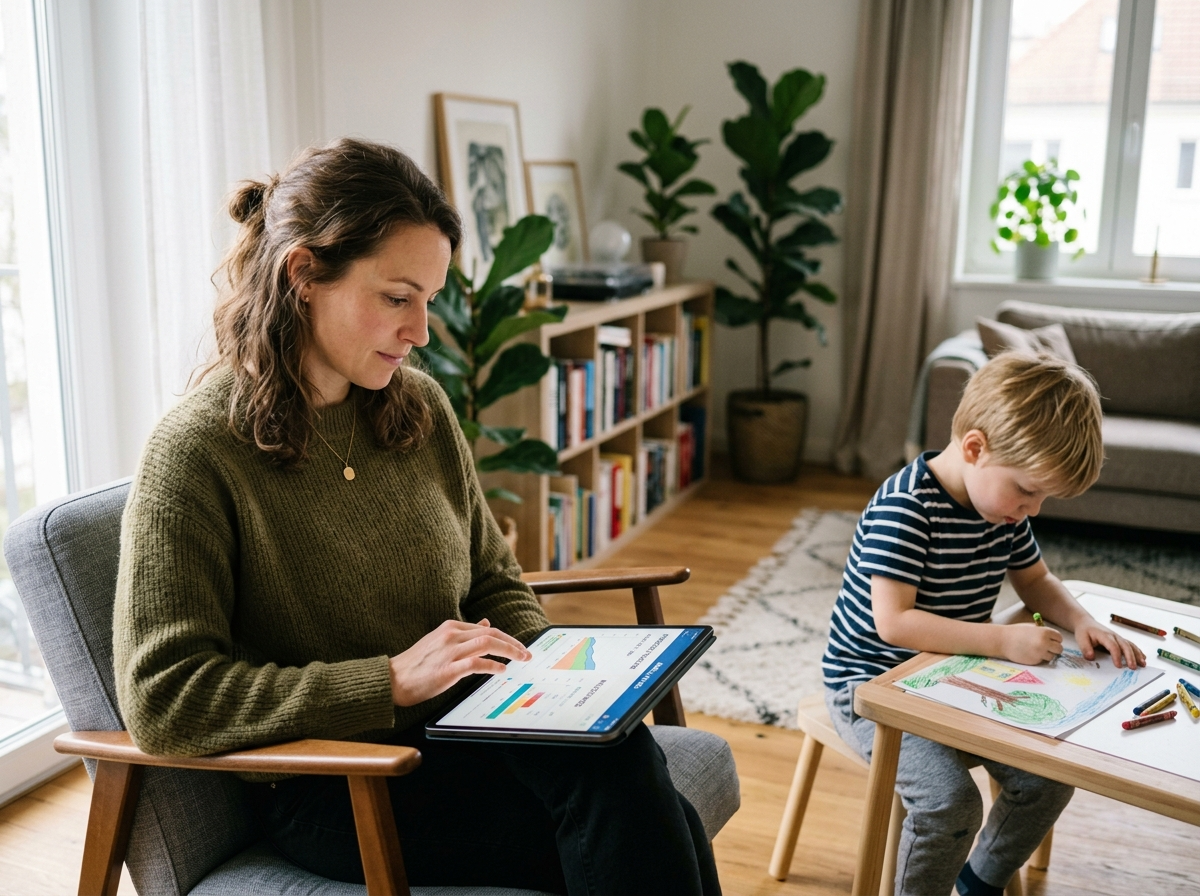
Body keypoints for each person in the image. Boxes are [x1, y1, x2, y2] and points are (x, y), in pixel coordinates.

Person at [112, 137, 720, 896]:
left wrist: (559, 687)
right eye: (398, 297)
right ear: (304, 275)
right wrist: (388, 681)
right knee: (639, 812)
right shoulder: (197, 453)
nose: (422, 332)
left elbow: (494, 581)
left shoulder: (419, 408)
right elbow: (165, 698)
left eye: (430, 300)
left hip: (469, 728)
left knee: (626, 769)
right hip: (341, 782)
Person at [821, 352, 1145, 896]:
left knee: (1048, 778)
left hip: (954, 676)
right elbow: (894, 624)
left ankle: (978, 883)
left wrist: (1083, 621)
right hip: (873, 687)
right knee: (948, 804)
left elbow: (1036, 582)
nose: (1032, 510)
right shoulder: (905, 508)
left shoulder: (1000, 509)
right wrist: (1001, 640)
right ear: (975, 448)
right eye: (1027, 490)